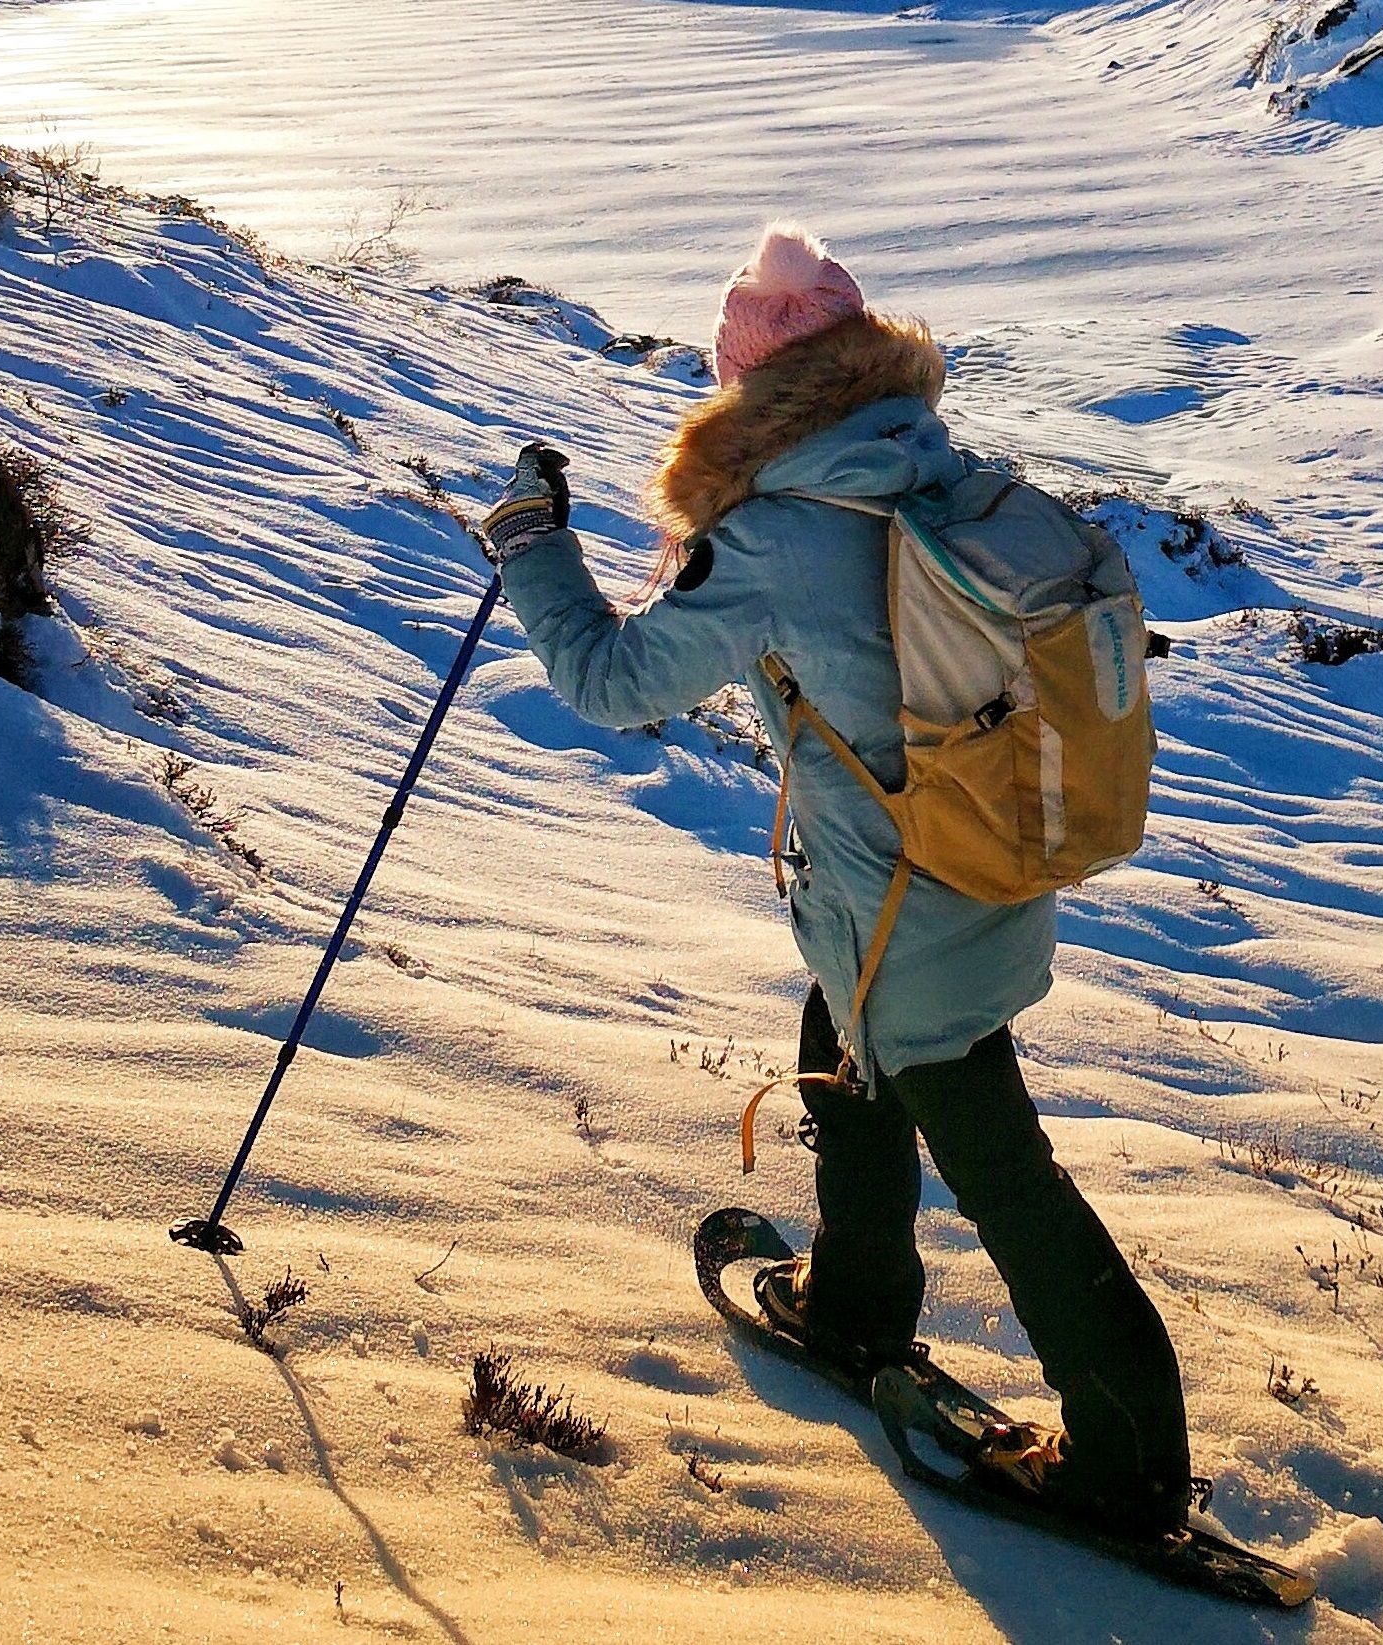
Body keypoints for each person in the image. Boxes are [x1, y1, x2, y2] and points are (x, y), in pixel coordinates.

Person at [475, 226, 1194, 1538]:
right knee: (840, 1041)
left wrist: (531, 543)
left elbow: (611, 683)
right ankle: (860, 1297)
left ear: (753, 391)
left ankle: (1133, 1450)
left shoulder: (779, 538)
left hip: (906, 911)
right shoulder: (930, 467)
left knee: (1002, 1169)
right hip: (981, 869)